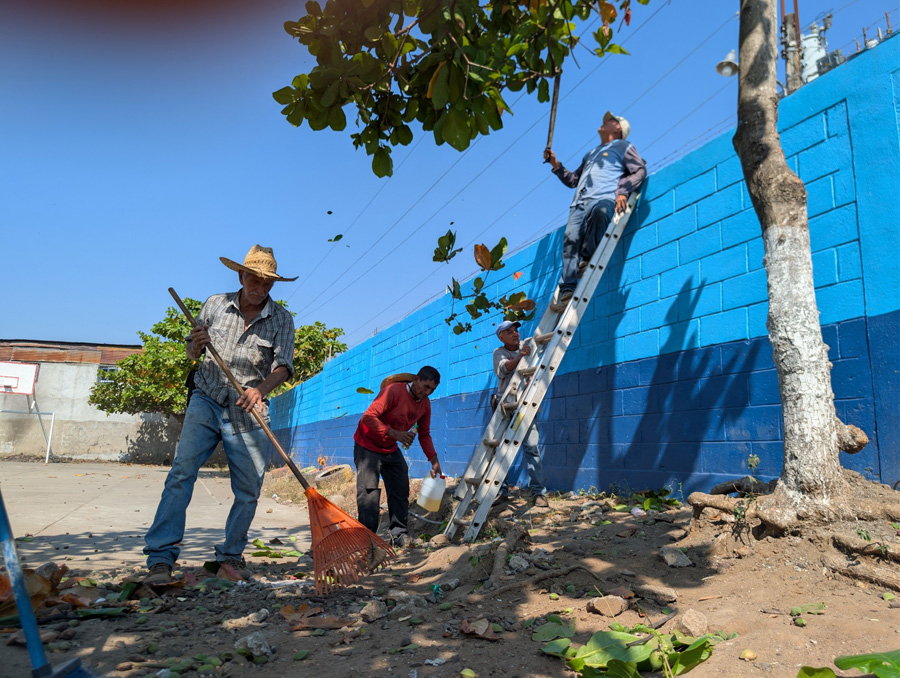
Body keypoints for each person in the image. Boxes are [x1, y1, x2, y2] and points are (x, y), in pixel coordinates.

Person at [143, 245, 296, 585]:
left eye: (267, 283)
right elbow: (192, 352)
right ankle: (160, 558)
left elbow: (284, 366)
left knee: (249, 489)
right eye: (254, 280)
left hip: (248, 408)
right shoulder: (214, 304)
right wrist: (196, 344)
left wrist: (260, 390)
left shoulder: (282, 320)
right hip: (207, 397)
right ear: (241, 276)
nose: (260, 288)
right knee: (181, 474)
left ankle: (230, 556)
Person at [544, 111, 647, 303]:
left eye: (610, 120)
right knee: (570, 240)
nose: (604, 121)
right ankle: (567, 287)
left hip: (603, 197)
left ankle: (587, 256)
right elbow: (574, 180)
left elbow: (640, 170)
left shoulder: (624, 146)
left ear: (618, 128)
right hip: (578, 203)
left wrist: (623, 191)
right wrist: (556, 164)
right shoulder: (590, 154)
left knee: (601, 213)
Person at [353, 366, 444, 548]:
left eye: (432, 390)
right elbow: (367, 418)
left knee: (400, 488)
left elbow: (424, 434)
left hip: (389, 448)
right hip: (367, 446)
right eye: (426, 387)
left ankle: (399, 535)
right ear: (416, 380)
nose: (427, 393)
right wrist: (394, 433)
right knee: (369, 493)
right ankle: (367, 540)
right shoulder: (393, 391)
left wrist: (434, 461)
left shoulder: (425, 404)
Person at [493, 320, 549, 506]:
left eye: (516, 330)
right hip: (507, 408)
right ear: (501, 337)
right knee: (501, 450)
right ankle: (501, 492)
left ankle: (539, 493)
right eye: (509, 332)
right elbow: (503, 369)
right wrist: (521, 356)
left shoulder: (527, 343)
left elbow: (544, 336)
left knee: (531, 447)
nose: (515, 334)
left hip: (526, 407)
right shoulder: (499, 352)